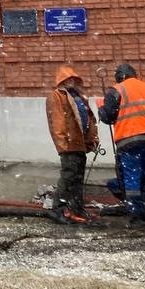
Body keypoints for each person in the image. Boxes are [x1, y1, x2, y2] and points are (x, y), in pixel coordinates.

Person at [98, 63, 145, 227]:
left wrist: (101, 108)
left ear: (120, 77)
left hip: (129, 141)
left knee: (132, 179)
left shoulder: (117, 90)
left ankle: (136, 217)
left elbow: (108, 117)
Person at [44, 65, 99, 224]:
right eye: (68, 79)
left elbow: (89, 119)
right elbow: (57, 122)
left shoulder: (79, 97)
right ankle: (58, 209)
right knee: (68, 177)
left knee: (77, 178)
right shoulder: (57, 96)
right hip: (69, 144)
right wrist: (63, 144)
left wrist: (92, 139)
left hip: (79, 143)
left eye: (74, 79)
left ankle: (76, 208)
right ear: (62, 80)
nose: (71, 82)